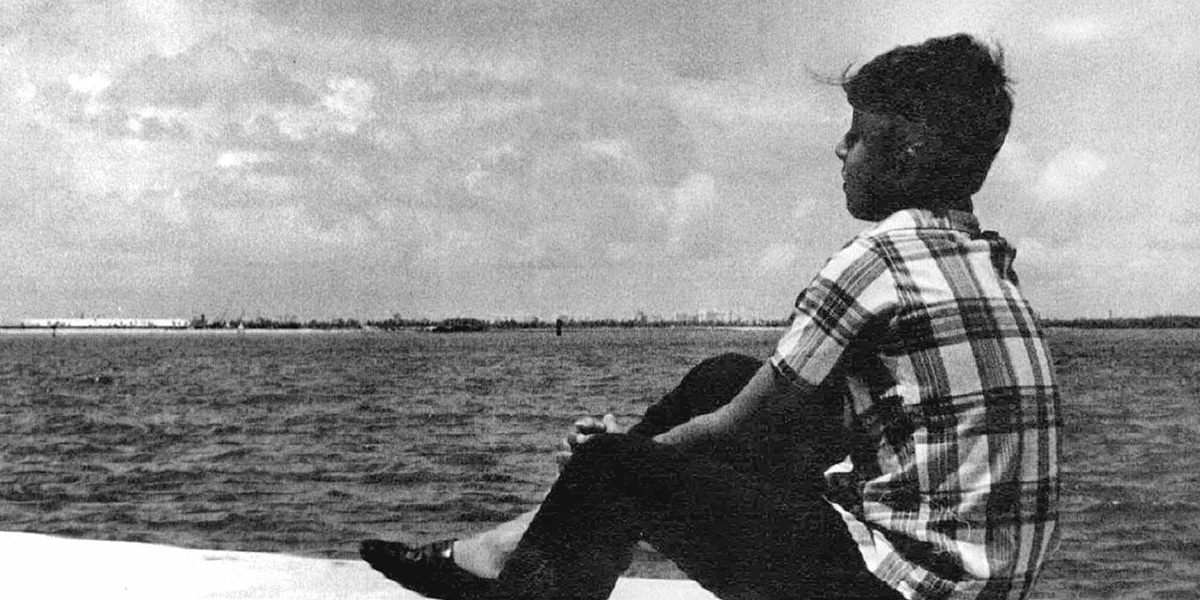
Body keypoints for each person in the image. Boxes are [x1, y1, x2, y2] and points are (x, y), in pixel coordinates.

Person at [361, 33, 1060, 600]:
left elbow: (742, 428)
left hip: (897, 593)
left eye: (858, 135)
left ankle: (514, 564)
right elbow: (819, 418)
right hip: (975, 587)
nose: (841, 151)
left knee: (623, 466)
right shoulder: (987, 259)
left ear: (904, 157)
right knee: (725, 376)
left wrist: (620, 459)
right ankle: (515, 547)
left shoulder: (879, 261)